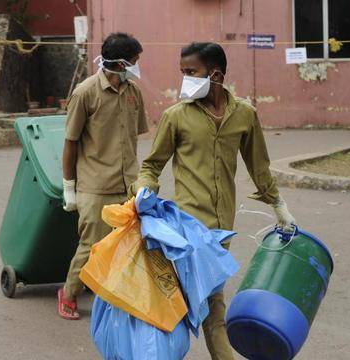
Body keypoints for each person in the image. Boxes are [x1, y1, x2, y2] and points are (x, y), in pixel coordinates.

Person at [130, 42, 296, 360]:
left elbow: (259, 166)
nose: (185, 80)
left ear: (215, 74)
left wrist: (279, 207)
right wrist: (144, 190)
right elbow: (152, 165)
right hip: (187, 228)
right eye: (182, 72)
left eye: (191, 72)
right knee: (205, 303)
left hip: (222, 230)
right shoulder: (175, 116)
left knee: (204, 302)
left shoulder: (244, 115)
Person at [59, 32, 148, 320]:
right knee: (92, 247)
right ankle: (69, 293)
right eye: (134, 61)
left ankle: (111, 296)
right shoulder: (85, 93)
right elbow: (71, 142)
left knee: (127, 247)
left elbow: (136, 138)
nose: (137, 66)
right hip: (95, 186)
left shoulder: (133, 92)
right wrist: (69, 187)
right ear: (121, 63)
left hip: (128, 184)